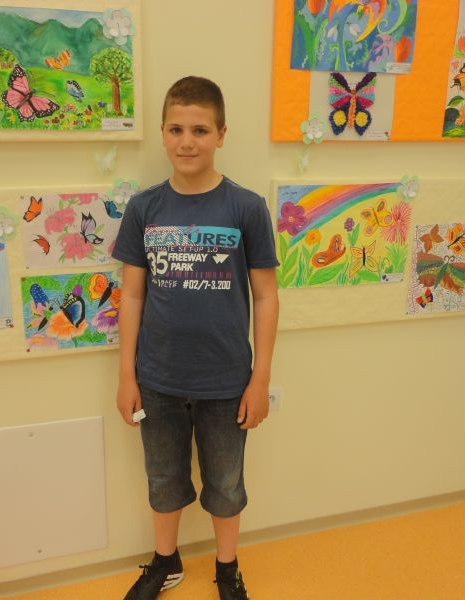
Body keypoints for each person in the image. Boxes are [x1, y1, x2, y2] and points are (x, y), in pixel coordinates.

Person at [112, 76, 279, 600]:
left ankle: (227, 568)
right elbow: (132, 296)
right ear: (163, 133)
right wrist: (126, 376)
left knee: (225, 485)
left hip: (226, 383)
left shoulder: (246, 207)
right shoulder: (144, 209)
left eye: (200, 130)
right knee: (163, 479)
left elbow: (266, 297)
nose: (188, 141)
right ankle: (166, 561)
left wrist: (260, 380)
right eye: (177, 129)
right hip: (157, 379)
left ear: (221, 134)